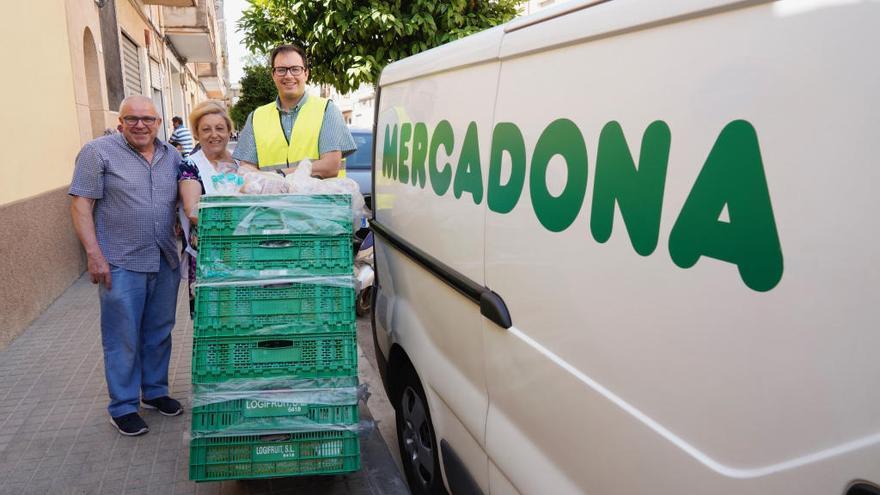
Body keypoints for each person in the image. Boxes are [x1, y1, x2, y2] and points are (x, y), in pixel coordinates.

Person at [69, 95, 183, 437]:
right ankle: (122, 406)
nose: (140, 125)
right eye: (132, 119)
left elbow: (182, 197)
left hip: (164, 257)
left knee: (160, 331)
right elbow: (80, 204)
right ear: (120, 123)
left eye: (147, 119)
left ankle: (155, 391)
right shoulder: (97, 152)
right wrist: (93, 254)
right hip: (120, 260)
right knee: (123, 337)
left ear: (158, 123)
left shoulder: (172, 155)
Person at [232, 44, 356, 177]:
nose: (288, 75)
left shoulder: (327, 110)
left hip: (320, 197)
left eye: (295, 69)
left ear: (306, 74)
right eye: (281, 70)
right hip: (274, 198)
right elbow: (247, 170)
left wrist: (279, 176)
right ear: (273, 75)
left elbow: (330, 166)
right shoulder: (256, 117)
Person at [178, 100, 239, 314]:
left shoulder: (240, 164)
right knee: (213, 321)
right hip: (209, 257)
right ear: (196, 134)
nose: (214, 134)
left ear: (229, 132)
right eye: (206, 129)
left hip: (242, 254)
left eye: (220, 128)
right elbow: (192, 211)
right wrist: (237, 218)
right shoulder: (191, 165)